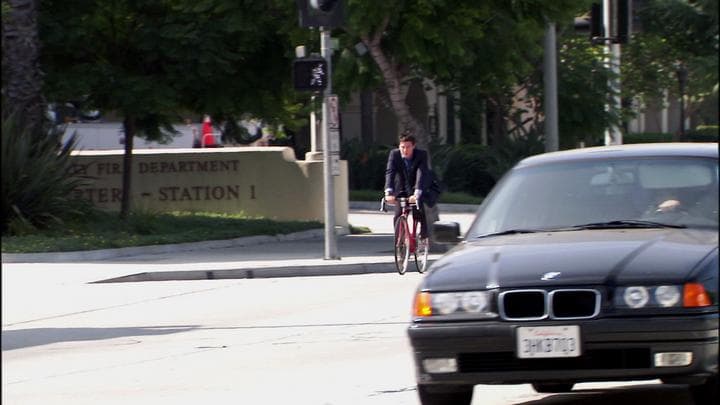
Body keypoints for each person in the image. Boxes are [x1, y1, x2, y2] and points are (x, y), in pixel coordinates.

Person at [384, 130, 431, 246]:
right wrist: (388, 192)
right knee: (398, 215)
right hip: (401, 188)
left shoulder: (421, 155)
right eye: (402, 147)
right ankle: (399, 244)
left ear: (413, 146)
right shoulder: (394, 154)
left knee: (418, 210)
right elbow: (390, 172)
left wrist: (417, 193)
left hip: (416, 185)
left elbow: (421, 173)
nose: (405, 150)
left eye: (408, 147)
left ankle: (423, 235)